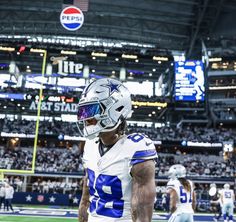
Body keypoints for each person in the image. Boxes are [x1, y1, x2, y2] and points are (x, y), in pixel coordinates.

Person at [77, 78, 157, 222]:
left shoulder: (136, 148)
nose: (86, 118)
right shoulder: (89, 146)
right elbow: (85, 201)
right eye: (84, 112)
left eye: (92, 110)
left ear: (115, 110)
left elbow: (141, 212)